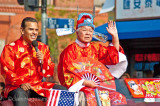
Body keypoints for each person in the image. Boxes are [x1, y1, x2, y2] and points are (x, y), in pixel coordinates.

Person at [58, 13, 128, 105]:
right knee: (90, 96)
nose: (88, 33)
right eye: (84, 30)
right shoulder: (70, 51)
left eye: (90, 31)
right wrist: (85, 82)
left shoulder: (96, 48)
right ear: (77, 32)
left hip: (98, 87)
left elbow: (114, 56)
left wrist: (115, 36)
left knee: (118, 97)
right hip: (79, 88)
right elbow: (66, 75)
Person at [0, 17, 67, 106]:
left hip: (38, 86)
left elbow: (48, 73)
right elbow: (6, 71)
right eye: (31, 29)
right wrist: (21, 83)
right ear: (22, 30)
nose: (34, 32)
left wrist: (44, 61)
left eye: (36, 30)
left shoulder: (43, 48)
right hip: (16, 87)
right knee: (20, 95)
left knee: (64, 91)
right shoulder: (10, 48)